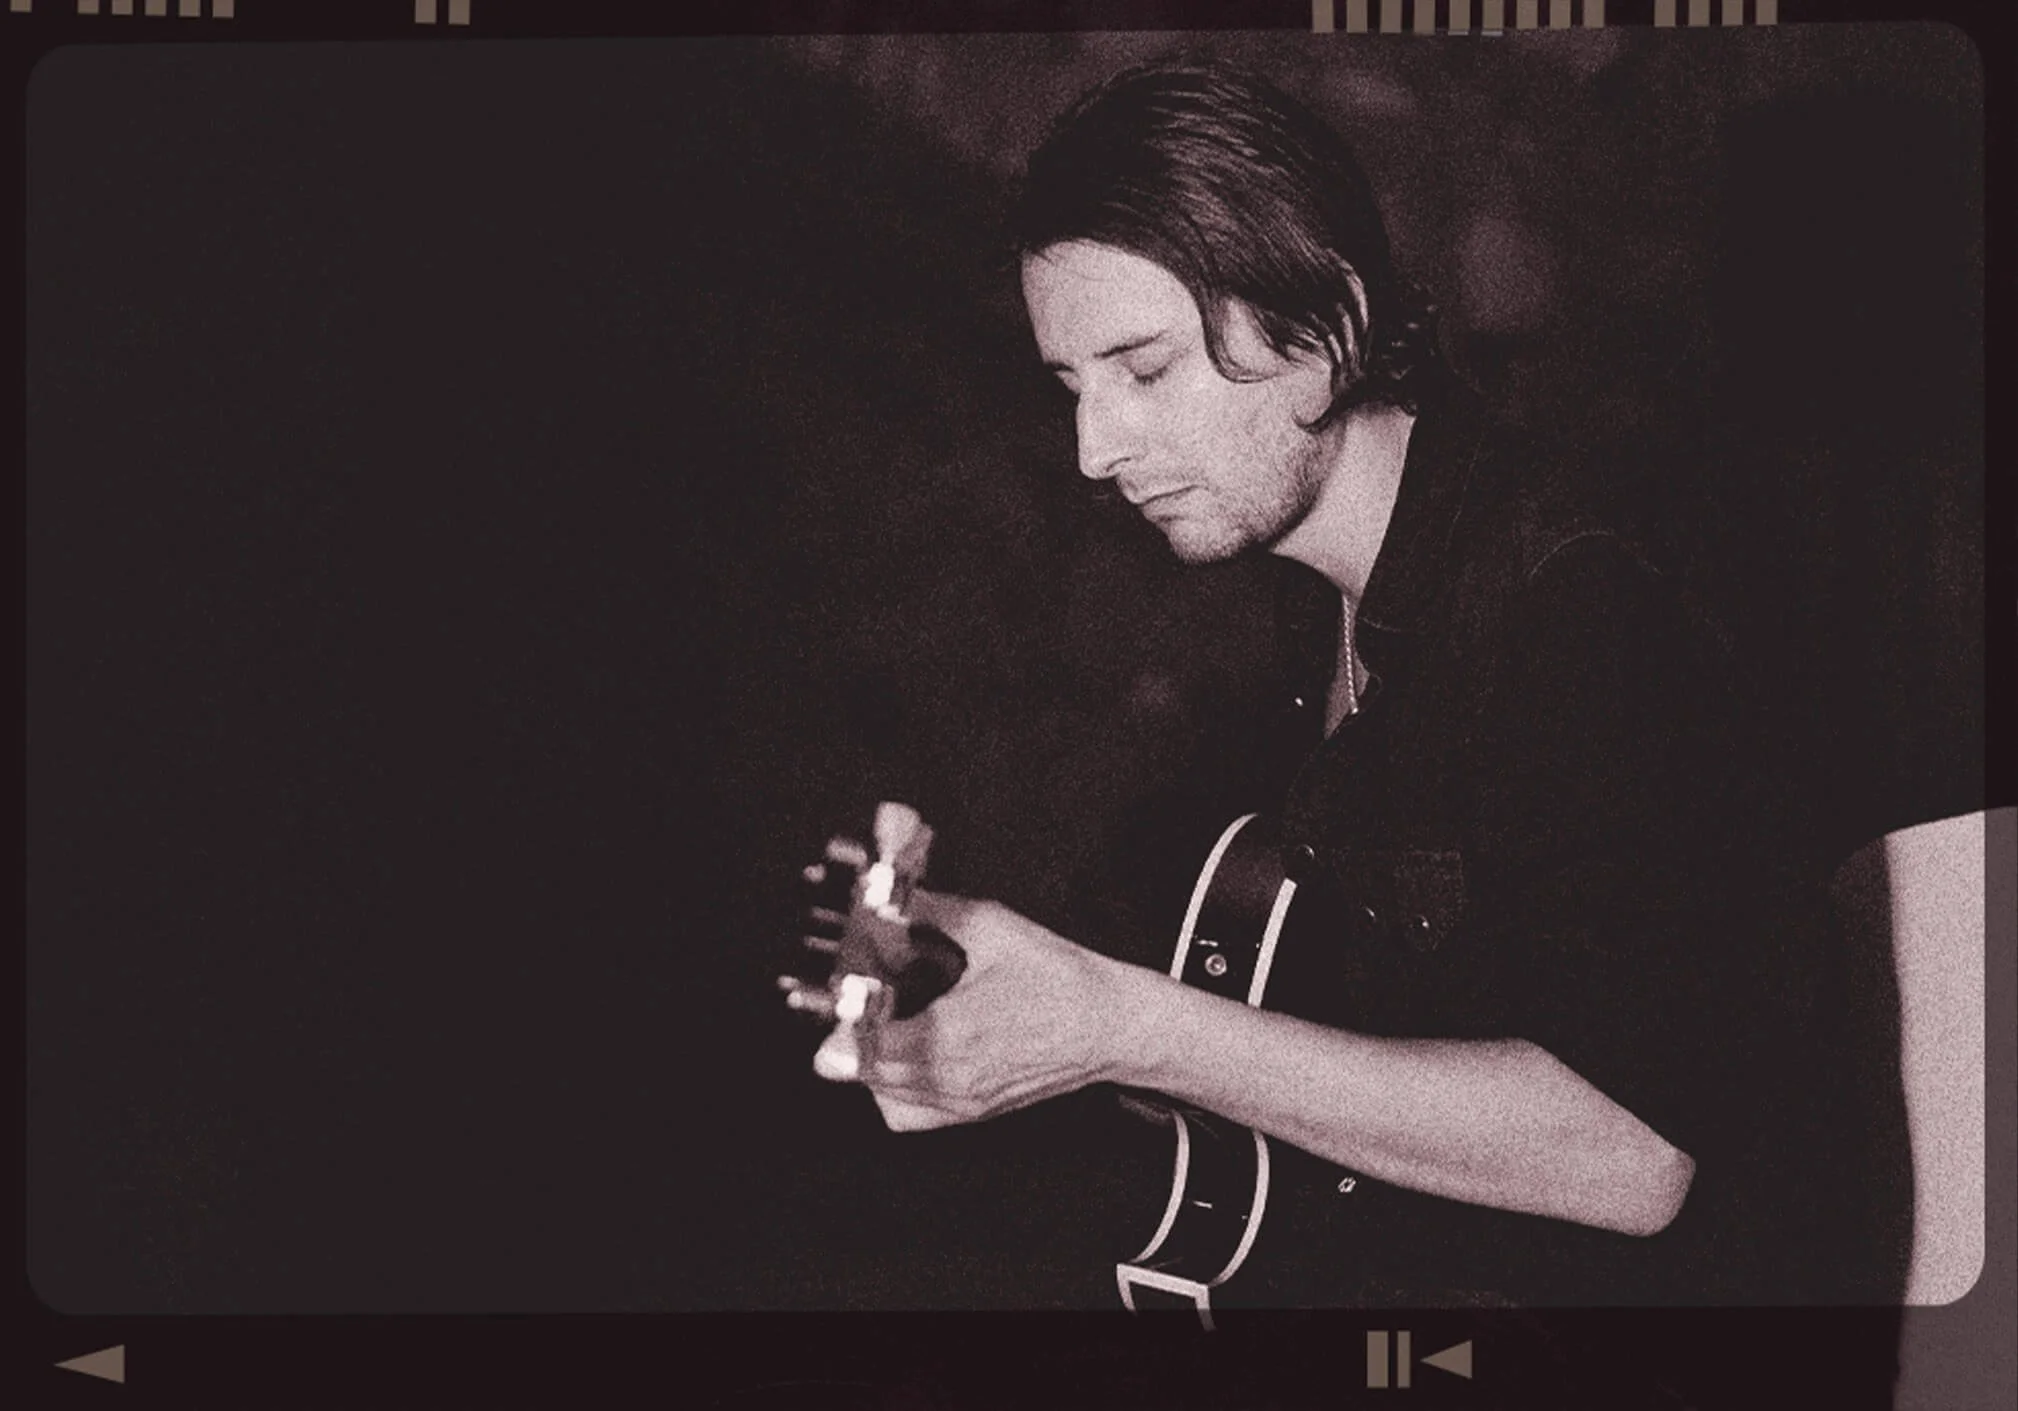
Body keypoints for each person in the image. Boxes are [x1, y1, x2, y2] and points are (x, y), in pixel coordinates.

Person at [794, 59, 1909, 1319]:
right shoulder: (1307, 620)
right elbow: (1284, 1041)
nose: (1094, 451)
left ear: (1321, 332)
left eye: (1144, 370)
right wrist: (962, 968)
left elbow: (1636, 1154)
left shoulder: (1583, 605)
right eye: (1070, 386)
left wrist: (1121, 1025)